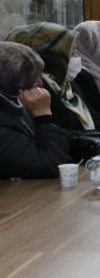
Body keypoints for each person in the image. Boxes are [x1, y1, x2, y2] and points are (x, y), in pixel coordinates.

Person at [0, 42, 73, 179]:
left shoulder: (13, 105)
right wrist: (43, 115)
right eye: (30, 75)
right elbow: (49, 165)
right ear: (6, 77)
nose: (40, 83)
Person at [5, 22, 95, 132]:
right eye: (71, 52)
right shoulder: (34, 90)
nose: (77, 57)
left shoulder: (64, 84)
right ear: (52, 56)